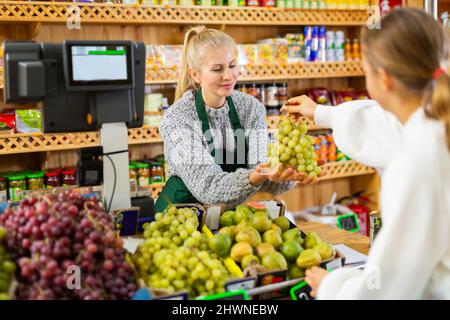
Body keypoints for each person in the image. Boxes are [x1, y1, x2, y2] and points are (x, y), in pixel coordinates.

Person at [282, 8, 450, 299]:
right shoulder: (433, 125)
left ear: (383, 78)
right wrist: (321, 113)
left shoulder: (415, 163)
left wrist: (332, 286)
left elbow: (388, 288)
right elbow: (383, 124)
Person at [155, 26, 313, 212]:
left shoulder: (250, 108)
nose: (228, 76)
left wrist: (286, 174)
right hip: (178, 220)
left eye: (232, 65)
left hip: (227, 218)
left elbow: (263, 174)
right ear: (196, 75)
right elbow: (209, 188)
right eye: (217, 69)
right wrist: (255, 176)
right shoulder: (178, 119)